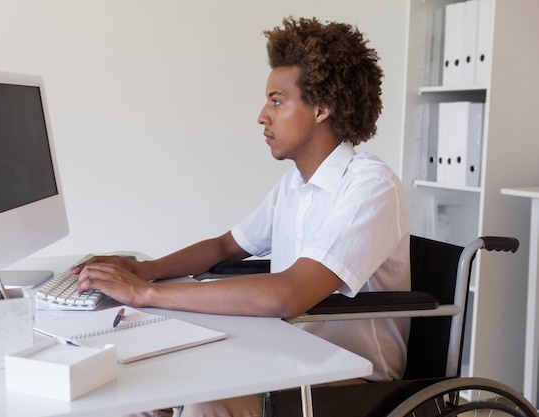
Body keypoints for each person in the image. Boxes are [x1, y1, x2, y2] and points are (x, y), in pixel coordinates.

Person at [74, 16, 410, 417]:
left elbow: (289, 294)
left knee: (208, 398)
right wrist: (145, 270)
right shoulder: (295, 185)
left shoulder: (371, 186)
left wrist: (146, 294)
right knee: (144, 384)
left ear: (321, 108)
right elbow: (225, 246)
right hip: (288, 353)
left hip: (351, 377)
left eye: (277, 101)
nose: (262, 115)